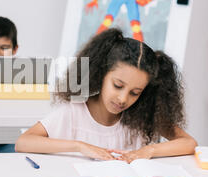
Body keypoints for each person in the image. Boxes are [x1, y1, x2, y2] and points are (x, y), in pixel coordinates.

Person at [15, 28, 197, 163]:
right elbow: (23, 142)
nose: (123, 99)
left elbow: (189, 143)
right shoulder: (73, 113)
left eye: (135, 93)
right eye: (118, 86)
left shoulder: (143, 119)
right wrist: (80, 146)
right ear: (100, 74)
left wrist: (149, 151)